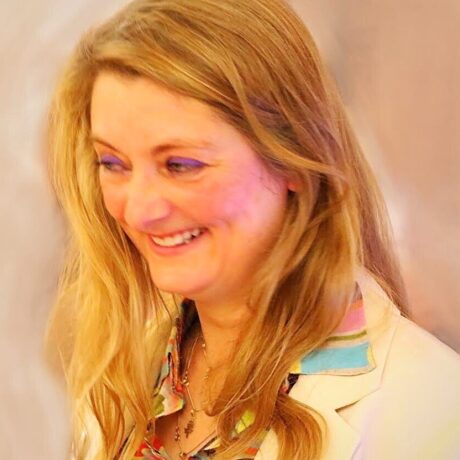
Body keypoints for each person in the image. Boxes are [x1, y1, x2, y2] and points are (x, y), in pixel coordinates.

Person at [45, 0, 460, 459]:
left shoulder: (434, 412)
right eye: (112, 163)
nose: (140, 210)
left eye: (181, 165)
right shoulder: (122, 376)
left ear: (296, 161)